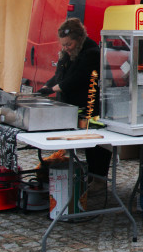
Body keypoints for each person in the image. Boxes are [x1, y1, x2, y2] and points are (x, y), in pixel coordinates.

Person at [40, 18, 110, 178]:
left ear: (79, 39)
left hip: (91, 108)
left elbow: (75, 79)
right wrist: (47, 85)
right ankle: (84, 176)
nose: (65, 48)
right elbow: (60, 75)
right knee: (81, 145)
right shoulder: (68, 53)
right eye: (63, 45)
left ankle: (98, 179)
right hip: (73, 107)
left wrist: (53, 89)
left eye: (68, 44)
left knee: (95, 147)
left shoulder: (91, 53)